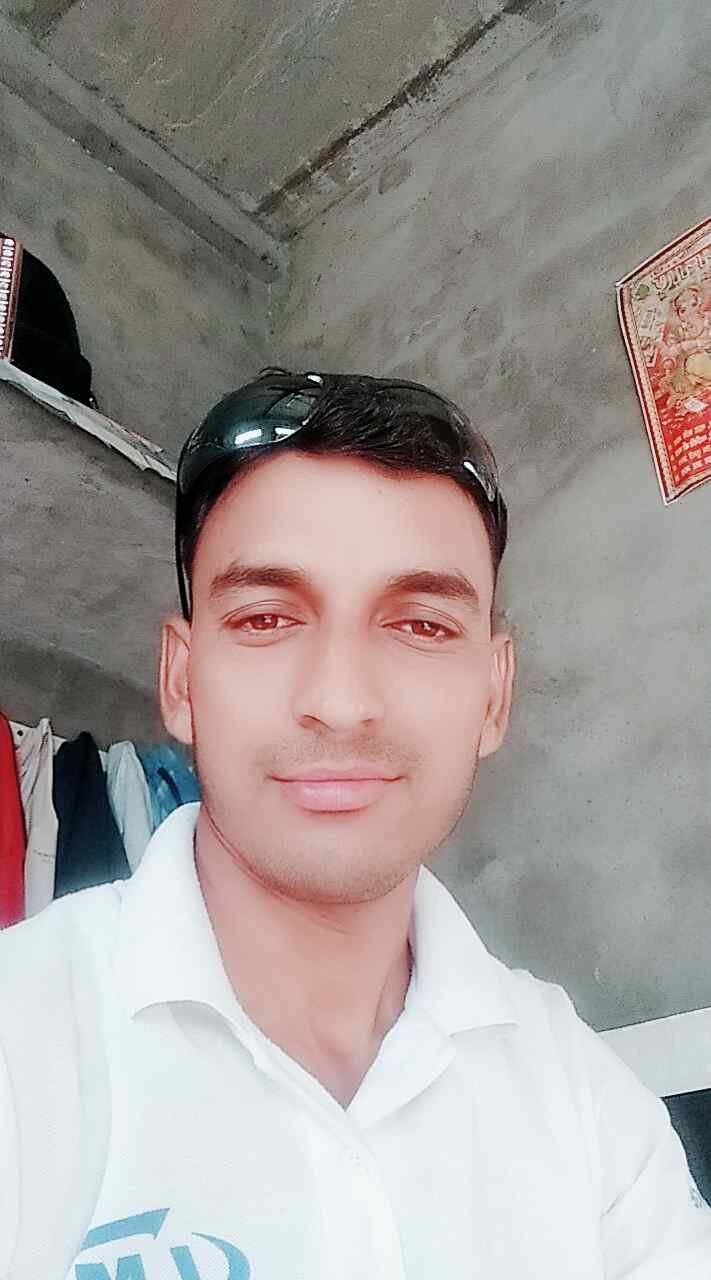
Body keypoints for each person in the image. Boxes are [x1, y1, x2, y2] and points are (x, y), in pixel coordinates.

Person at [1, 369, 709, 1279]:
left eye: (420, 626)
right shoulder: (23, 1041)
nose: (339, 702)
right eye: (267, 617)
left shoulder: (583, 1100)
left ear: (494, 696)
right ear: (181, 679)